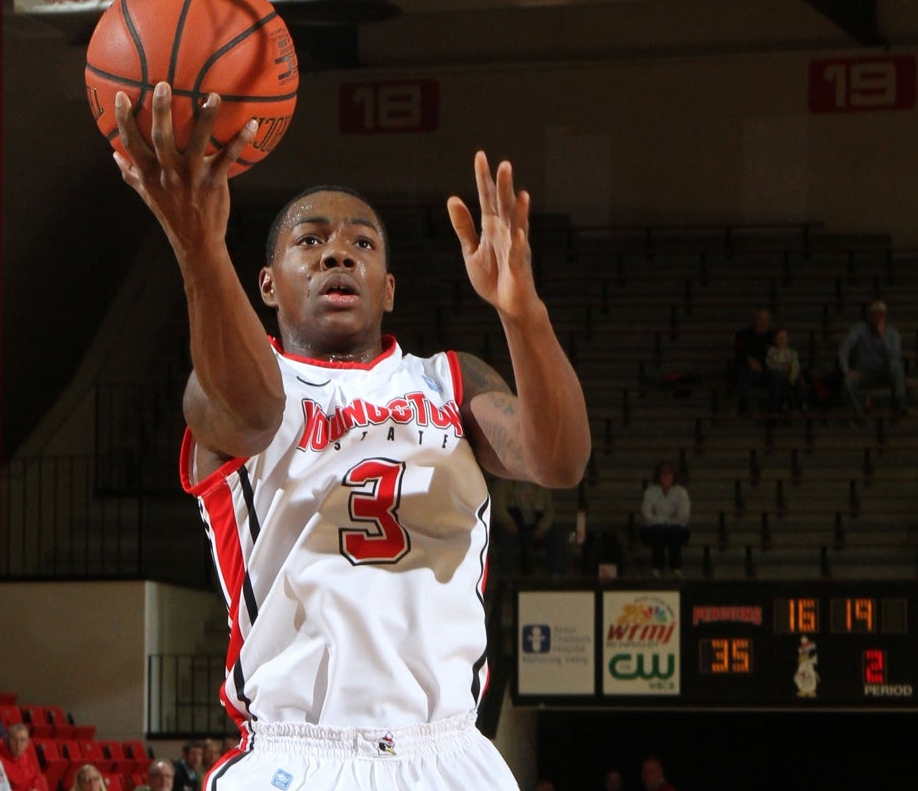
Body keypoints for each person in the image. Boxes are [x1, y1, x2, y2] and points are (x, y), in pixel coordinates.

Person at [109, 84, 590, 790]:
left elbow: (560, 461)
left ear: (388, 287)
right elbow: (249, 412)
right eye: (312, 241)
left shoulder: (450, 381)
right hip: (298, 755)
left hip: (450, 753)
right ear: (267, 285)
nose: (338, 254)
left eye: (360, 243)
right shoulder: (236, 378)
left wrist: (524, 314)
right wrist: (199, 247)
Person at [838, 299, 908, 420]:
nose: (878, 318)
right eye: (875, 314)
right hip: (865, 371)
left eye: (881, 314)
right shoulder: (860, 328)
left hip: (885, 372)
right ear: (870, 316)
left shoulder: (892, 333)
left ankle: (900, 403)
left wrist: (883, 338)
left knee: (896, 365)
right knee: (848, 381)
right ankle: (862, 412)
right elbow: (844, 347)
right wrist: (846, 370)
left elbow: (895, 355)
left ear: (885, 316)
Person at [489, 476, 569, 578]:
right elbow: (497, 505)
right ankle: (506, 578)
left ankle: (556, 575)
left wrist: (542, 527)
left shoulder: (541, 483)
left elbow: (550, 510)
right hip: (512, 520)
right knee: (505, 539)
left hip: (535, 522)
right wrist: (507, 521)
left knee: (556, 535)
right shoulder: (504, 481)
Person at [639, 461, 691, 579]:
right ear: (658, 476)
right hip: (654, 530)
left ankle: (676, 569)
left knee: (674, 532)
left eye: (669, 473)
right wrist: (670, 517)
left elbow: (684, 516)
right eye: (663, 474)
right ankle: (657, 568)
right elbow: (647, 517)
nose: (666, 477)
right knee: (658, 532)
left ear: (673, 475)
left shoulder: (681, 493)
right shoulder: (650, 492)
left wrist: (658, 516)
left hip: (676, 529)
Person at [733, 307, 778, 413]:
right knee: (744, 370)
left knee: (778, 376)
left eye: (766, 320)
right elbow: (738, 353)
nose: (763, 323)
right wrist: (749, 359)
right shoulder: (742, 335)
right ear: (754, 321)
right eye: (761, 320)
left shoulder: (772, 336)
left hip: (766, 370)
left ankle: (774, 409)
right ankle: (743, 403)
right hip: (748, 370)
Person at [765, 327, 809, 413]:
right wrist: (783, 367)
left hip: (791, 376)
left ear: (787, 339)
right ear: (775, 340)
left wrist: (790, 370)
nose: (782, 340)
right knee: (783, 382)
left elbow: (796, 366)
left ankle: (802, 404)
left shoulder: (792, 352)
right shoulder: (771, 351)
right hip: (777, 378)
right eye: (779, 338)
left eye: (784, 338)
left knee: (796, 381)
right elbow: (770, 365)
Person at [0, 725, 44, 791]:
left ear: (27, 743)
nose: (18, 744)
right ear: (8, 741)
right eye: (14, 739)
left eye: (22, 740)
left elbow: (34, 781)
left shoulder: (25, 758)